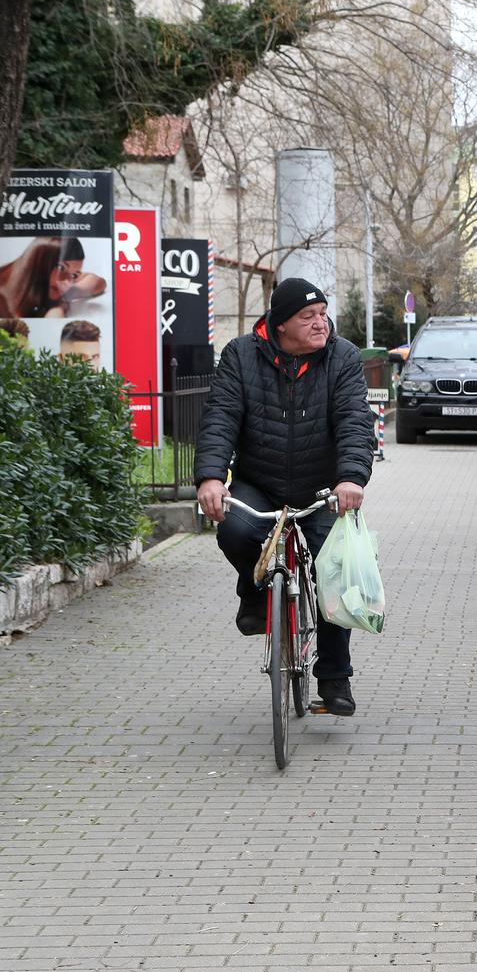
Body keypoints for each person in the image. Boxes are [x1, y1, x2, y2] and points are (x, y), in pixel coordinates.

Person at [195, 278, 374, 717]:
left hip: (321, 485)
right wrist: (210, 479)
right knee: (236, 530)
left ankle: (334, 676)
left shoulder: (343, 357)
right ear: (279, 326)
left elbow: (354, 419)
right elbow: (220, 418)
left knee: (335, 569)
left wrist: (350, 478)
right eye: (307, 317)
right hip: (260, 481)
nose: (320, 324)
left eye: (322, 314)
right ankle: (254, 593)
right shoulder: (240, 356)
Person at [0, 236, 107, 318]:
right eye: (61, 267)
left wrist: (63, 301)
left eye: (74, 274)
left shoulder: (56, 284)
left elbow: (98, 281)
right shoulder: (6, 297)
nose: (67, 282)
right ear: (39, 261)